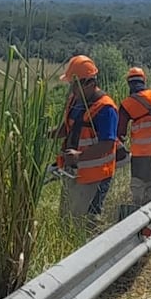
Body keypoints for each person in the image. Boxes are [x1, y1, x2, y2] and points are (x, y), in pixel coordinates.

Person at [55, 55, 119, 224]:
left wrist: (79, 156)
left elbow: (107, 144)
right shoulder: (75, 101)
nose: (72, 90)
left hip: (94, 176)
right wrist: (49, 133)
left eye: (74, 85)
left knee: (83, 223)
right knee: (66, 220)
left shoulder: (106, 108)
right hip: (73, 172)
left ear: (89, 83)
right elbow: (67, 128)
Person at [117, 67, 151, 208]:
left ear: (129, 83)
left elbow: (120, 132)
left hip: (141, 152)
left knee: (139, 187)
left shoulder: (126, 104)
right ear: (144, 81)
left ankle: (139, 217)